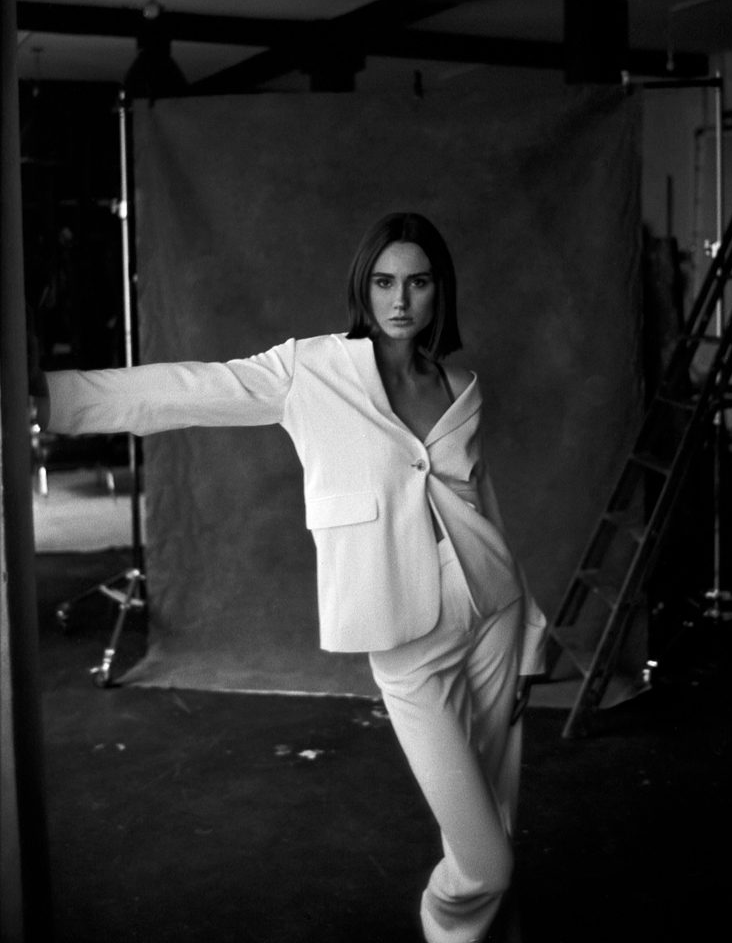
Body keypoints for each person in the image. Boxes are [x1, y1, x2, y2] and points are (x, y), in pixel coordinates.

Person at [35, 211, 547, 943]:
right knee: (483, 859)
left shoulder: (458, 383)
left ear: (440, 292)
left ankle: (493, 930)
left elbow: (480, 505)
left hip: (491, 612)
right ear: (362, 289)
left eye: (418, 283)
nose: (399, 300)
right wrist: (53, 400)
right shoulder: (313, 370)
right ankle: (451, 926)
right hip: (403, 629)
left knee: (493, 811)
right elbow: (189, 389)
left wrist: (527, 625)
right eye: (383, 282)